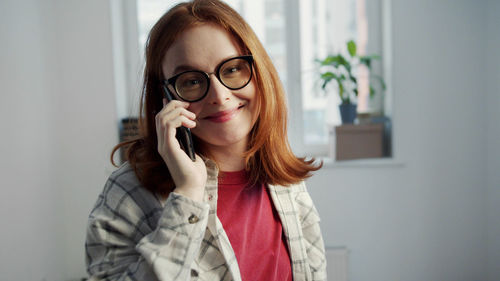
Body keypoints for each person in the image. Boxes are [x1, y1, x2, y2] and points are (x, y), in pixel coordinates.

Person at [85, 0, 326, 280]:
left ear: (259, 73)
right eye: (191, 80)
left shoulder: (287, 181)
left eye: (233, 69)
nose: (220, 95)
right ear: (166, 98)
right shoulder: (129, 191)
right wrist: (187, 193)